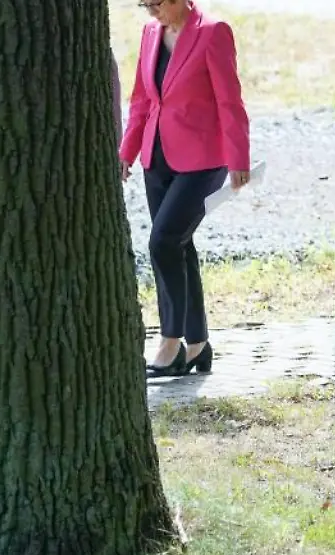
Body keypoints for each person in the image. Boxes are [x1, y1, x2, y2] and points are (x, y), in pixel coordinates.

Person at [119, 0, 251, 378]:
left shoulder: (213, 32)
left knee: (162, 242)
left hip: (203, 160)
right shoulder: (150, 34)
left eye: (155, 3)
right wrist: (127, 151)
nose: (149, 11)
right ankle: (198, 346)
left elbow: (230, 100)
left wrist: (239, 157)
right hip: (156, 159)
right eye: (143, 4)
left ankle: (170, 344)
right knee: (178, 243)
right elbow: (142, 99)